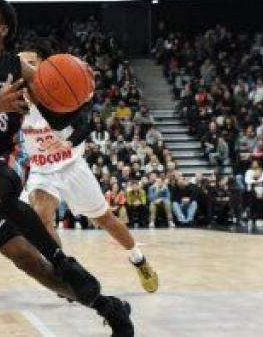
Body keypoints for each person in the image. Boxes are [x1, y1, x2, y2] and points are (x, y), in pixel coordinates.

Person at [0, 0, 134, 336]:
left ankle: (62, 258)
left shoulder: (20, 69)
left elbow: (59, 114)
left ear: (4, 28)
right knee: (27, 262)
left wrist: (79, 104)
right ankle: (109, 307)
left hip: (7, 156)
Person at [18, 48, 158, 294]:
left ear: (43, 66)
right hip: (42, 171)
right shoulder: (13, 100)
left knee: (106, 220)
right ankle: (65, 275)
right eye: (21, 64)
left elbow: (87, 123)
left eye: (30, 62)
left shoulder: (63, 90)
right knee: (42, 217)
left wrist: (68, 142)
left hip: (72, 167)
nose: (25, 68)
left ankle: (138, 259)